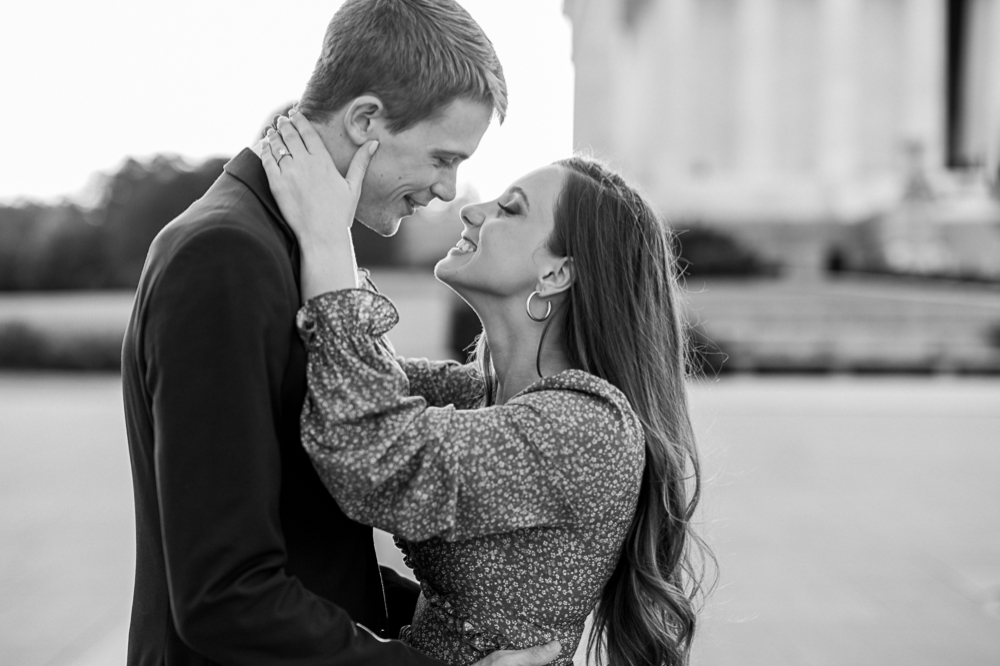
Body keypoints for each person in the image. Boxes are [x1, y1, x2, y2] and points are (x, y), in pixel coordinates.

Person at [121, 1, 560, 664]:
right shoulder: (223, 255)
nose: (447, 191)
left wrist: (472, 640)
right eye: (442, 157)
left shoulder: (297, 248)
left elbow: (318, 555)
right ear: (365, 121)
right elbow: (225, 595)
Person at [260, 114, 711, 666]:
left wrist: (327, 238)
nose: (473, 210)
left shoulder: (586, 429)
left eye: (510, 209)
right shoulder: (483, 397)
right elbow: (352, 375)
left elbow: (372, 453)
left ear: (555, 275)